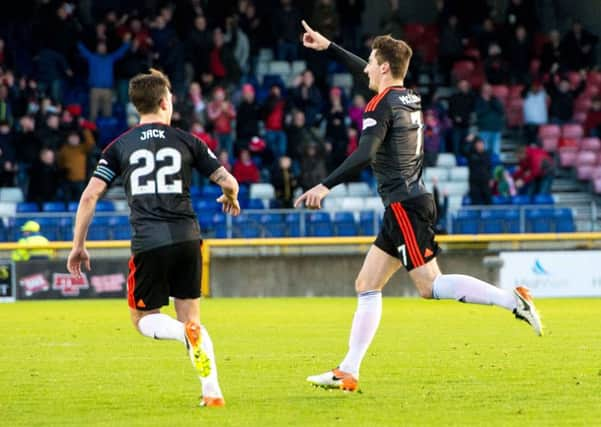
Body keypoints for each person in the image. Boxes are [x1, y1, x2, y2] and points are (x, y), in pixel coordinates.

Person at [296, 20, 543, 392]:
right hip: (407, 203)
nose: (364, 66)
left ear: (382, 68)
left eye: (370, 62)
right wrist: (329, 45)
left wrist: (325, 184)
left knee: (430, 285)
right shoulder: (408, 97)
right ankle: (348, 370)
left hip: (404, 205)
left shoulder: (381, 104)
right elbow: (371, 70)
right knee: (366, 283)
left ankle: (511, 299)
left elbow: (365, 153)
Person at [66, 69, 240, 408]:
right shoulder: (190, 141)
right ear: (164, 102)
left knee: (142, 319)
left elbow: (89, 196)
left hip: (149, 241)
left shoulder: (119, 146)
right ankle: (212, 392)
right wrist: (230, 197)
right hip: (188, 238)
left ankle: (181, 334)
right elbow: (229, 181)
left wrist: (78, 246)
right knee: (193, 320)